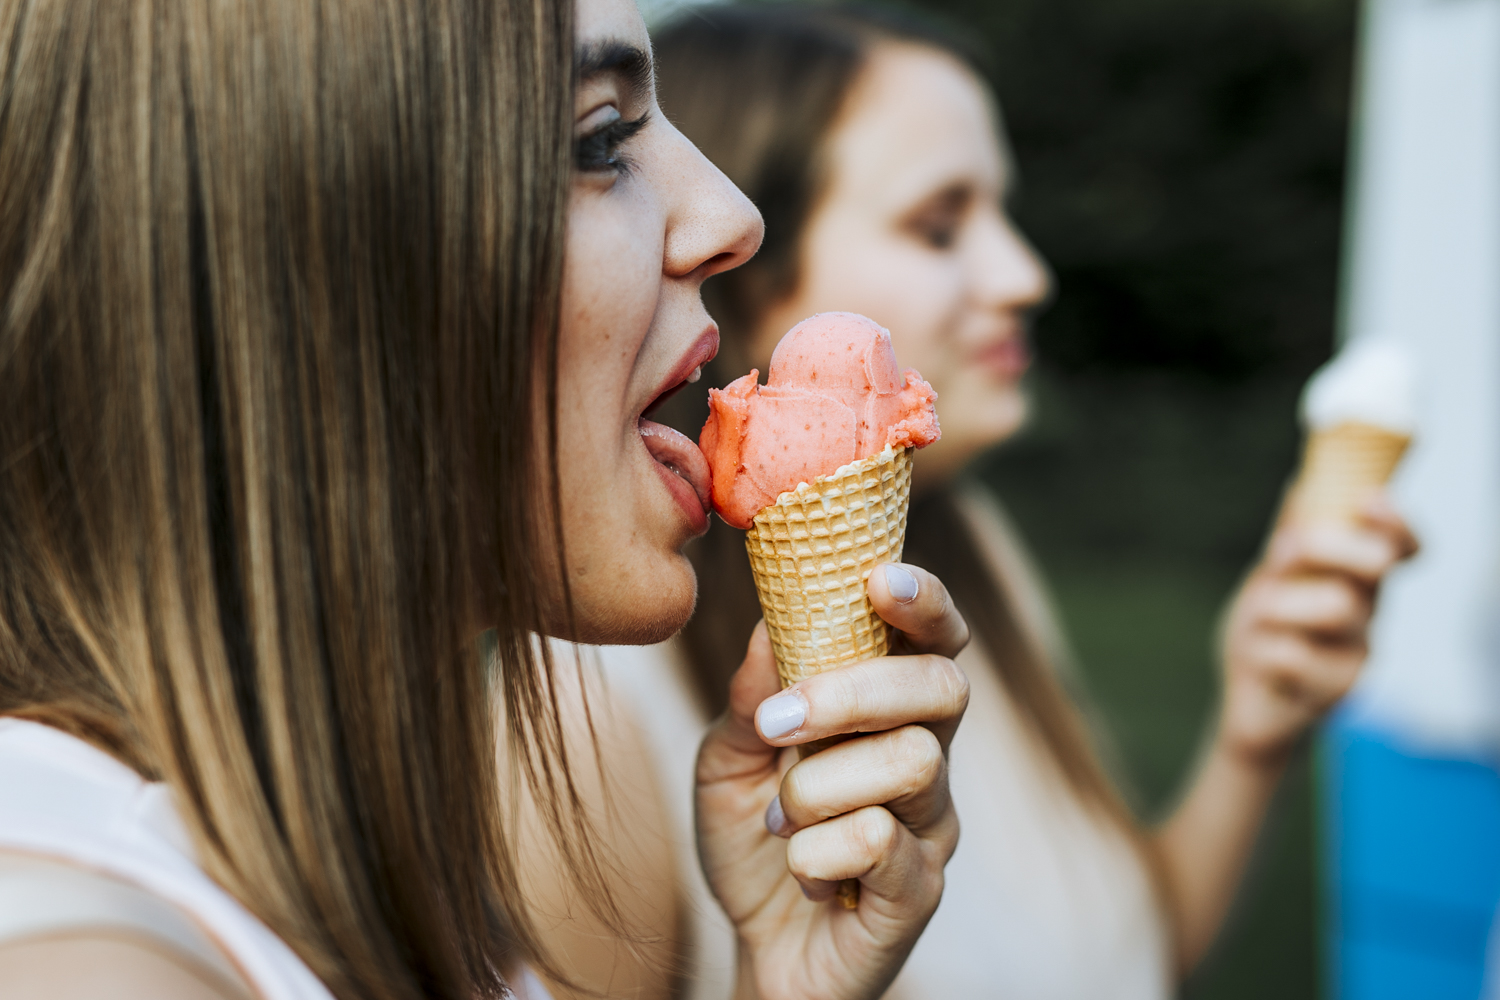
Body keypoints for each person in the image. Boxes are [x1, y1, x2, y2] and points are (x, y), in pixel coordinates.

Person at [0, 1, 972, 999]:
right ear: (294, 261)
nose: (733, 218)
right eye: (600, 139)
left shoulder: (370, 871)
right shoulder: (94, 967)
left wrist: (782, 986)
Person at [548, 5, 1419, 999]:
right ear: (746, 286)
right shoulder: (587, 717)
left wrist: (1256, 731)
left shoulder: (967, 555)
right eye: (940, 223)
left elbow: (1125, 965)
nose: (1023, 275)